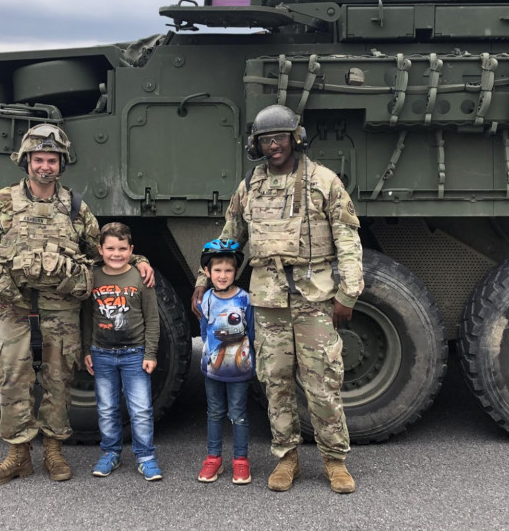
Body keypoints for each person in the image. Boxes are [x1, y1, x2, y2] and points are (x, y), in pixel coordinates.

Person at [0, 124, 153, 487]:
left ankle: (53, 451)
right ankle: (18, 455)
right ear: (26, 161)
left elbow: (102, 250)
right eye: (38, 159)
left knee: (59, 379)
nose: (45, 166)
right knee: (12, 377)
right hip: (15, 306)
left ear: (61, 164)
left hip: (61, 307)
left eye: (52, 160)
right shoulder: (2, 202)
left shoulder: (76, 208)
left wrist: (138, 260)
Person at [193, 104, 364, 494]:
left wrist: (348, 292)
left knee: (322, 381)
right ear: (257, 145)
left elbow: (348, 239)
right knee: (275, 381)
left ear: (295, 139)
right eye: (266, 140)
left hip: (313, 295)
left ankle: (334, 460)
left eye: (280, 138)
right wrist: (201, 282)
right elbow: (229, 237)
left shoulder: (324, 181)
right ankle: (286, 458)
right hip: (268, 299)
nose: (274, 147)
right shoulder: (250, 186)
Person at [83, 222, 163, 481]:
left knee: (140, 409)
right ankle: (110, 453)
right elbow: (86, 317)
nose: (116, 254)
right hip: (102, 353)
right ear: (100, 250)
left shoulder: (141, 277)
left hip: (135, 354)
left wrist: (150, 353)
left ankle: (146, 457)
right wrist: (87, 350)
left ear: (131, 250)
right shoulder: (93, 276)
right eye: (110, 248)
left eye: (122, 248)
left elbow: (152, 318)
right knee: (107, 408)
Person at [194, 238, 255, 485]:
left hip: (239, 370)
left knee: (239, 415)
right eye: (217, 270)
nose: (222, 275)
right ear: (207, 272)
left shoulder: (245, 299)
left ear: (236, 272)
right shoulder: (206, 299)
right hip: (213, 371)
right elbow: (204, 330)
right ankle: (214, 458)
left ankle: (241, 460)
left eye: (228, 270)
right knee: (215, 413)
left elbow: (251, 330)